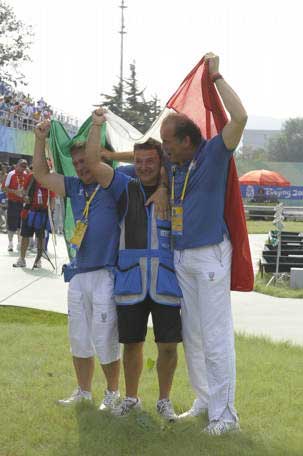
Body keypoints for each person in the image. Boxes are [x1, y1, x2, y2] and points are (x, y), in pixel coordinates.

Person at [158, 52, 248, 435]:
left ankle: (225, 416)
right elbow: (144, 156)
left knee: (214, 334)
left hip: (211, 254)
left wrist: (216, 77)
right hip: (182, 257)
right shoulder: (174, 167)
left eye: (169, 142)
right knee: (192, 332)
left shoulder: (213, 153)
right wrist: (162, 183)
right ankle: (204, 399)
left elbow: (240, 118)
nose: (165, 149)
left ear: (188, 140)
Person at [85, 110, 182, 421]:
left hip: (166, 280)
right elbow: (93, 163)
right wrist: (97, 126)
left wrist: (165, 186)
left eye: (150, 161)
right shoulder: (123, 185)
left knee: (168, 345)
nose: (143, 166)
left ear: (161, 160)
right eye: (138, 161)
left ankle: (164, 401)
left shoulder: (175, 181)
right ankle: (131, 397)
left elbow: (175, 158)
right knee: (132, 344)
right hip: (130, 280)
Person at [33, 121, 125, 410]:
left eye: (84, 160)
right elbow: (41, 174)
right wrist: (39, 139)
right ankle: (83, 391)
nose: (80, 167)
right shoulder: (74, 186)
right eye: (75, 162)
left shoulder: (111, 181)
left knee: (104, 335)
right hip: (79, 272)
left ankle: (112, 393)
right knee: (79, 337)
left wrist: (96, 131)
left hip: (106, 273)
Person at [12, 173, 56, 268]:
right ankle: (22, 259)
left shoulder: (49, 179)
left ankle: (38, 260)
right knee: (25, 236)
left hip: (42, 213)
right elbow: (23, 191)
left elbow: (52, 197)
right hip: (29, 211)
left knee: (40, 237)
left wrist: (51, 213)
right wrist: (24, 197)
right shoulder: (31, 177)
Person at [2, 159, 28, 252]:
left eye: (25, 167)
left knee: (20, 224)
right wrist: (15, 192)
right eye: (21, 166)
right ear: (17, 165)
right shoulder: (11, 174)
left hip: (22, 203)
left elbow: (27, 189)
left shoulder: (26, 175)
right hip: (12, 202)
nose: (23, 168)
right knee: (11, 223)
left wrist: (24, 195)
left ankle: (19, 243)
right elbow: (4, 188)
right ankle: (10, 243)